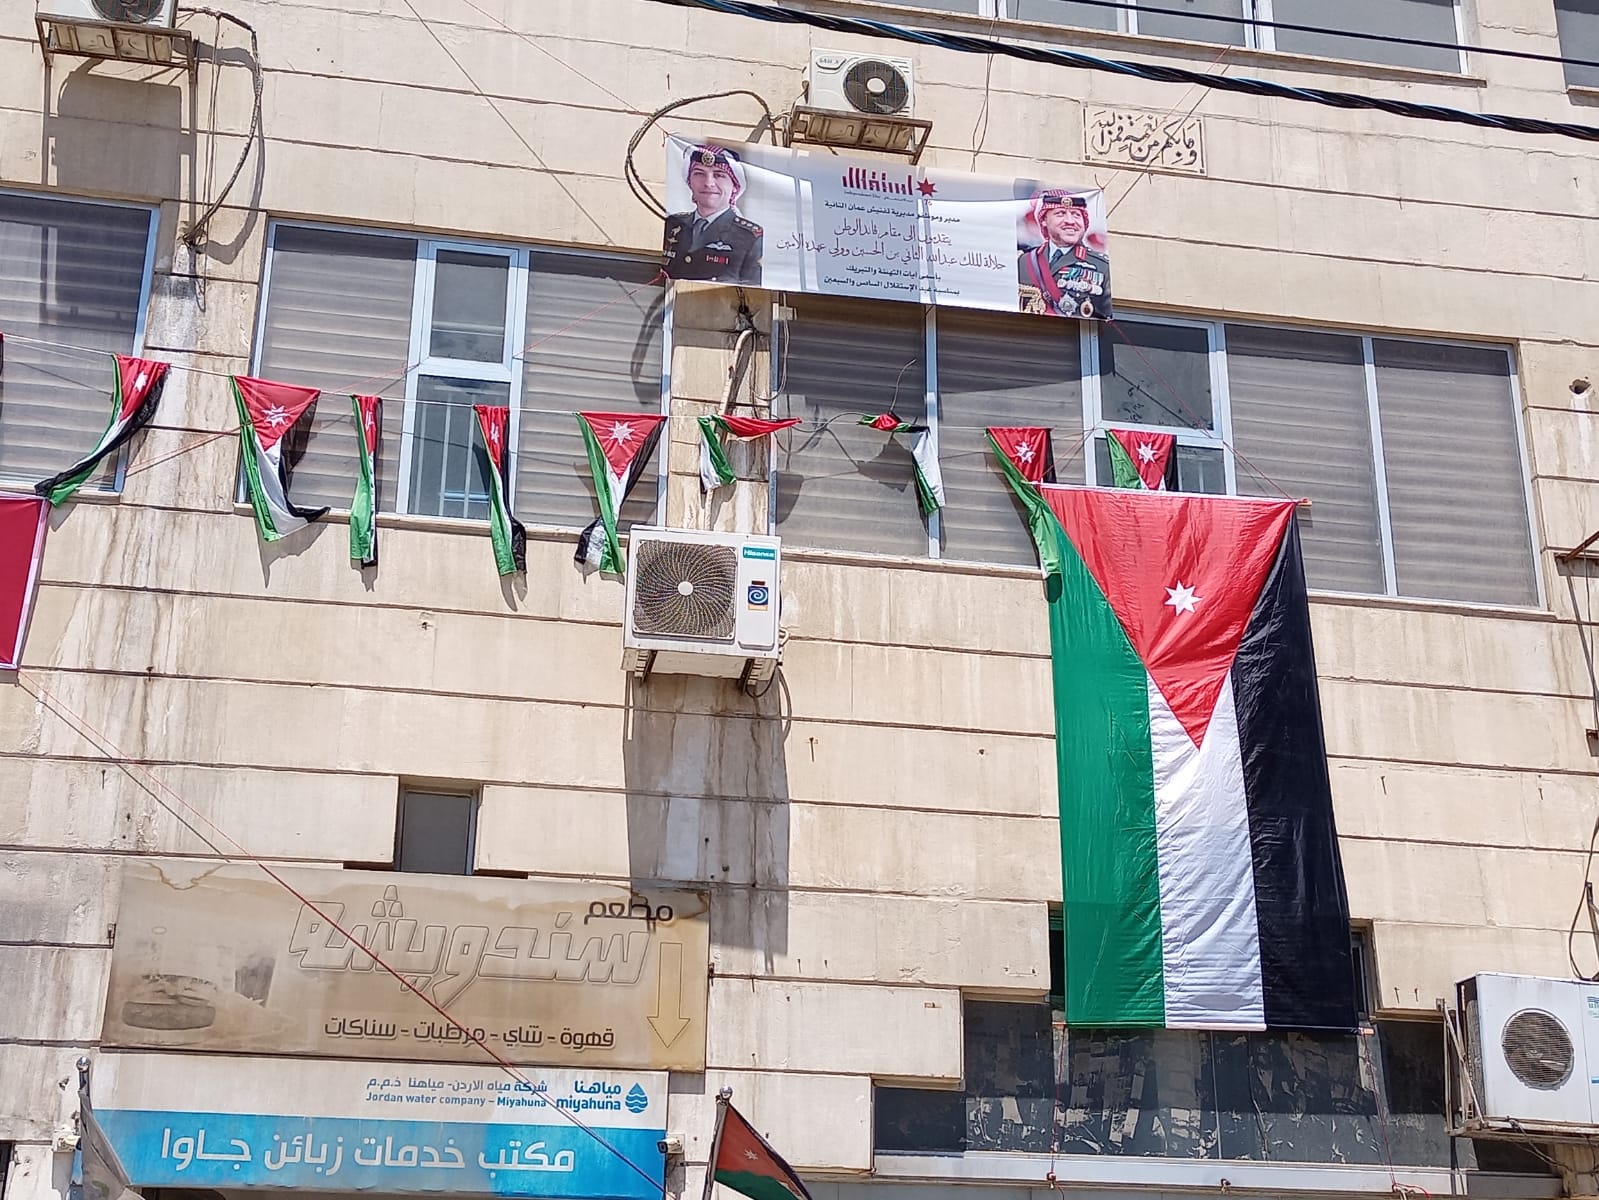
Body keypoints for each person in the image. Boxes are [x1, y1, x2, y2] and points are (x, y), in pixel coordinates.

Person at [663, 145, 763, 284]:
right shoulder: (672, 224)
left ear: (734, 186)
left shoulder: (750, 236)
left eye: (719, 175)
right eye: (699, 174)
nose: (708, 183)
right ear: (689, 182)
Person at [1018, 190, 1111, 320]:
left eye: (1076, 215)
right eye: (1060, 214)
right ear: (1044, 220)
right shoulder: (1022, 261)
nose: (1070, 221)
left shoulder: (1101, 266)